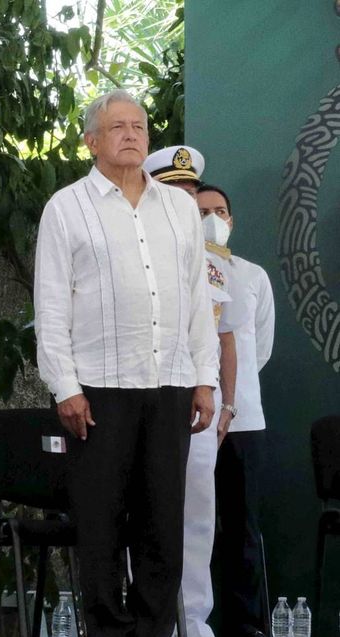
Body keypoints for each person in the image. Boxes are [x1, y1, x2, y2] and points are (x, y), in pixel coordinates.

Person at [34, 89, 217, 636]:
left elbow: (196, 302)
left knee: (163, 528)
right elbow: (50, 305)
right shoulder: (66, 207)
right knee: (102, 528)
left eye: (138, 126)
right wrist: (64, 386)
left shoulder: (181, 207)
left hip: (170, 386)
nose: (132, 135)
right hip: (97, 391)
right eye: (118, 127)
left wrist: (205, 381)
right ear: (92, 141)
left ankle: (155, 630)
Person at [144, 145, 241, 637]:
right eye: (174, 190)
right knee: (146, 513)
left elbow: (224, 335)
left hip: (198, 403)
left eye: (190, 191)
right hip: (144, 397)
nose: (184, 199)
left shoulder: (214, 259)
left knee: (199, 516)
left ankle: (194, 621)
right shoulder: (134, 243)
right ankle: (150, 618)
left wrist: (227, 402)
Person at [199, 183, 275, 637]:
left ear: (232, 220)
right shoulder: (181, 270)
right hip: (196, 420)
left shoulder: (253, 276)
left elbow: (258, 349)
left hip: (243, 418)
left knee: (242, 530)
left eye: (220, 211)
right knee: (196, 530)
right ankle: (193, 624)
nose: (212, 219)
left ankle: (245, 626)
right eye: (202, 210)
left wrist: (233, 395)